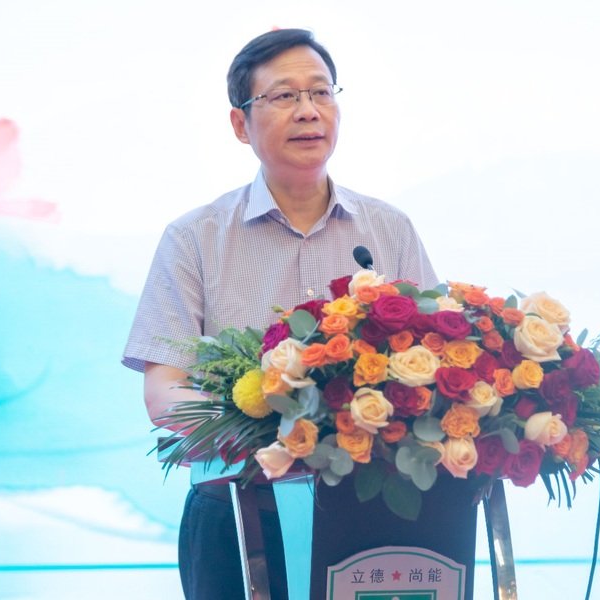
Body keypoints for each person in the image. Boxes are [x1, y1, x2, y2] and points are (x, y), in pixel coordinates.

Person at [122, 28, 437, 599]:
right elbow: (164, 392)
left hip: (370, 510)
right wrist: (270, 431)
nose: (308, 110)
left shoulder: (389, 230)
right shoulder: (194, 238)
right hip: (237, 509)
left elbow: (435, 360)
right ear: (240, 124)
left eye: (321, 92)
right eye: (284, 96)